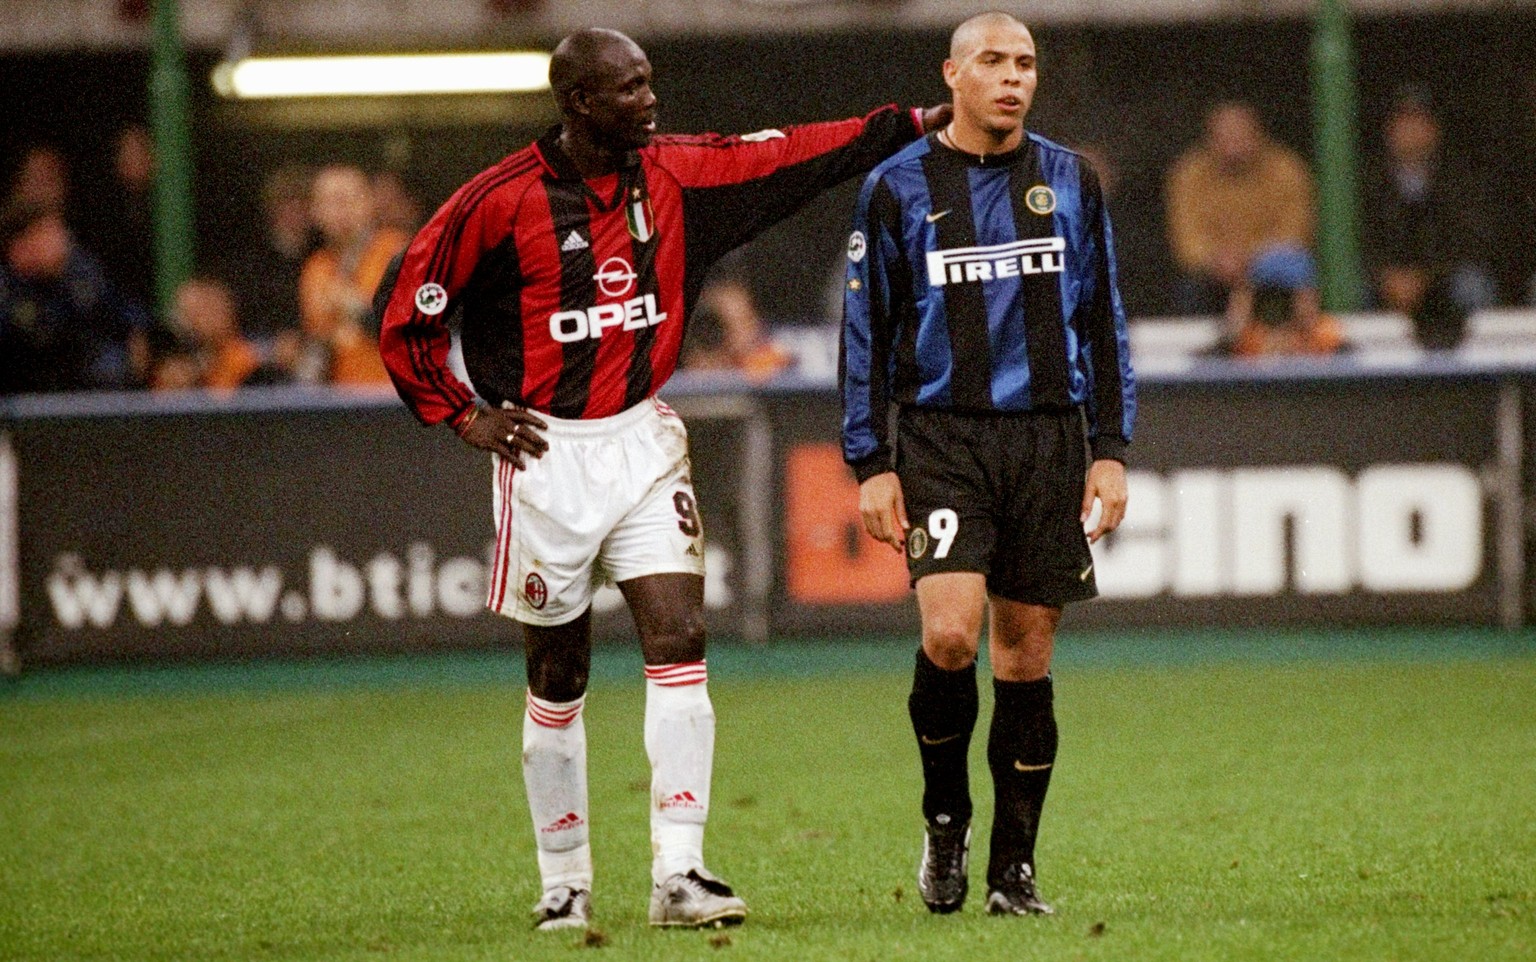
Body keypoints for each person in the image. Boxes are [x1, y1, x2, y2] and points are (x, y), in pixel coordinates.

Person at [375, 27, 948, 932]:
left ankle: (680, 873)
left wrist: (910, 123)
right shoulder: (495, 202)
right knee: (558, 673)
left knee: (680, 637)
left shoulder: (674, 172)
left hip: (643, 440)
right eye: (631, 89)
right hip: (545, 454)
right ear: (578, 104)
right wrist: (464, 412)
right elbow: (405, 317)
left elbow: (787, 154)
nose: (651, 101)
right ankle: (563, 879)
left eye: (649, 84)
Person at [841, 12, 1134, 918]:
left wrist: (1111, 451)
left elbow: (1103, 320)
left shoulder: (1069, 178)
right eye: (994, 62)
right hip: (942, 437)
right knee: (951, 636)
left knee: (1025, 652)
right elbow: (866, 331)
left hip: (1047, 438)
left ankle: (1014, 871)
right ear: (954, 75)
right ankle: (945, 818)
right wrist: (870, 460)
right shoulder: (896, 187)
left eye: (1027, 63)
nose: (1014, 78)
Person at [1360, 89, 1496, 349]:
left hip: (1441, 278)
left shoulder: (1458, 177)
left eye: (1419, 122)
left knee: (1473, 285)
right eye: (1403, 122)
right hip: (1385, 280)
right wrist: (1385, 276)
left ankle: (1478, 376)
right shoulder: (1368, 178)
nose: (1410, 131)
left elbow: (1472, 238)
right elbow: (1357, 239)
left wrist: (1425, 277)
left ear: (1434, 130)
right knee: (1351, 289)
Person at [1165, 102, 1315, 315]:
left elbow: (1295, 231)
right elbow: (1187, 239)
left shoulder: (1286, 170)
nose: (1233, 145)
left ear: (1258, 134)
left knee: (1295, 272)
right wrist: (1217, 259)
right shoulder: (1189, 174)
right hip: (1214, 275)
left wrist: (1250, 258)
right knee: (1191, 289)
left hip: (1271, 270)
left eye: (1241, 136)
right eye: (1224, 137)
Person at [0, 199, 150, 394]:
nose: (61, 239)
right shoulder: (9, 287)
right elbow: (50, 338)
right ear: (20, 246)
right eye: (47, 232)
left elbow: (115, 307)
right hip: (28, 393)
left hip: (83, 387)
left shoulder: (78, 268)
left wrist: (141, 333)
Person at [299, 164, 406, 385]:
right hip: (339, 400)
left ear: (370, 203)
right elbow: (319, 339)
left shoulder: (396, 251)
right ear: (315, 211)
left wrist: (355, 307)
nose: (341, 210)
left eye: (348, 199)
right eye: (330, 202)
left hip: (394, 396)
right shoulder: (316, 268)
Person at [1223, 244, 1345, 358]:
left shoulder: (1326, 339)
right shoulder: (1247, 340)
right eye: (1268, 298)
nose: (1276, 306)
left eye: (1286, 296)